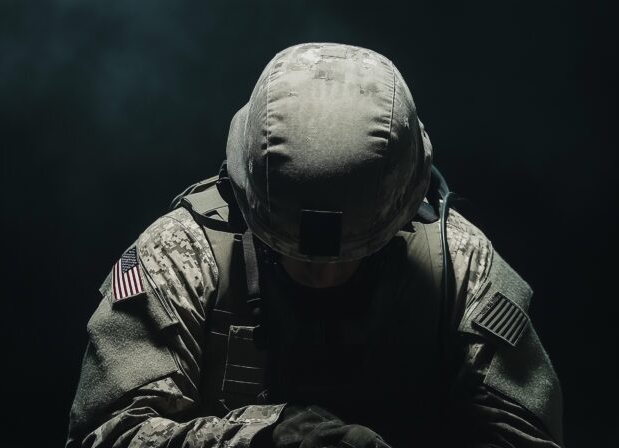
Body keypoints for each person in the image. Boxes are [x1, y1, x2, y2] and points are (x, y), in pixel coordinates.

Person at [66, 43, 564, 448]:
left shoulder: (461, 265)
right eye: (289, 251)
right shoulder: (181, 254)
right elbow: (106, 434)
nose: (321, 275)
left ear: (406, 207)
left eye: (353, 252)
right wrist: (265, 438)